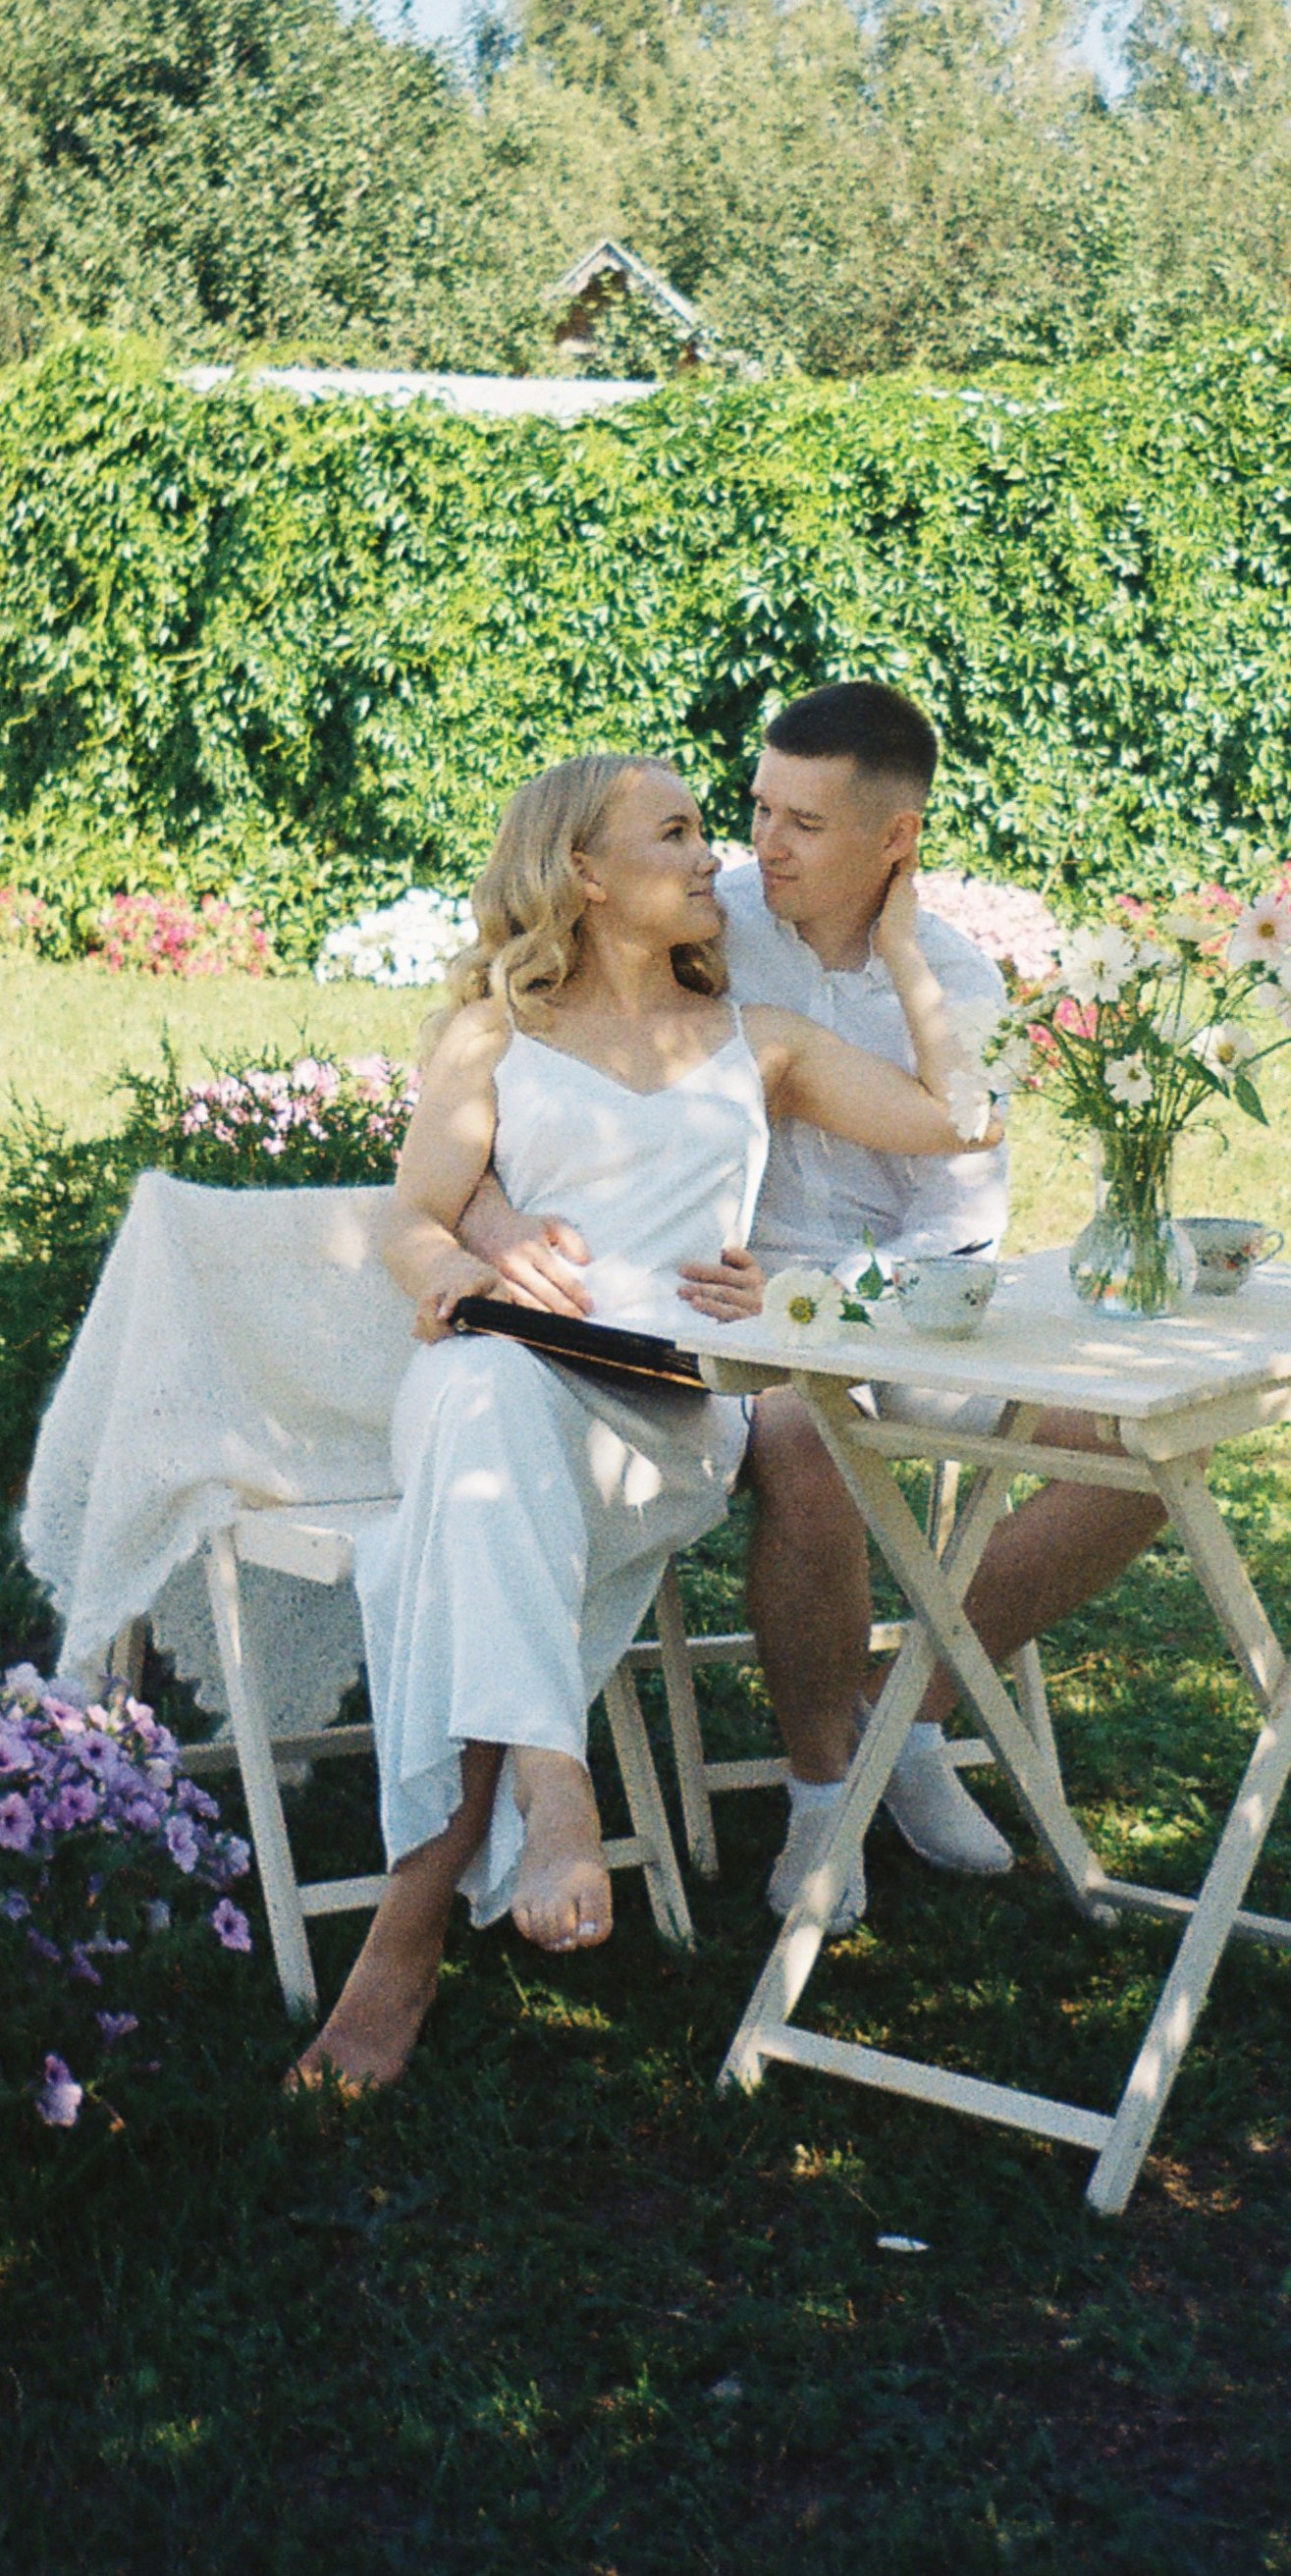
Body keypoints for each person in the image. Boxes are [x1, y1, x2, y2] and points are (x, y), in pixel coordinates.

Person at [299, 747, 996, 2089]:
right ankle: (550, 1781)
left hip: (667, 1429)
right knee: (486, 1387)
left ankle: (409, 1934)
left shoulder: (762, 1043)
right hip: (505, 1392)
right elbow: (409, 1219)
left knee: (479, 1451)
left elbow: (957, 1122)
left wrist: (903, 945)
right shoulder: (492, 1035)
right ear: (584, 875)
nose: (709, 861)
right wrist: (456, 1266)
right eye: (675, 836)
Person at [458, 682, 1170, 1934]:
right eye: (753, 809)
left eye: (803, 824)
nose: (756, 847)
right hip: (713, 1310)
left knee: (1136, 1453)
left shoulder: (945, 974)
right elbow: (497, 1056)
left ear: (891, 843)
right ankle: (819, 1790)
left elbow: (955, 1214)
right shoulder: (699, 918)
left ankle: (913, 1711)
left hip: (895, 1301)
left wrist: (898, 962)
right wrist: (495, 1223)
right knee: (803, 1439)